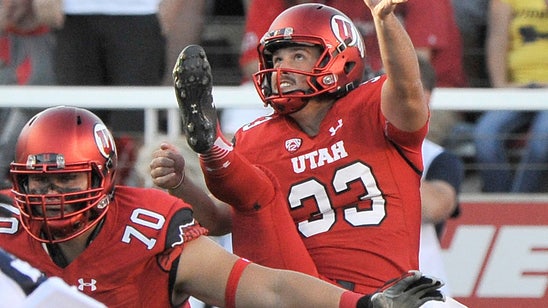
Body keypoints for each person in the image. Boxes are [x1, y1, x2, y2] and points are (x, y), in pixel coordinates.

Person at [0, 106, 444, 307]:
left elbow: (266, 289)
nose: (50, 193)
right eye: (36, 180)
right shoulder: (6, 228)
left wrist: (359, 307)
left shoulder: (148, 227)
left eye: (65, 178)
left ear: (103, 176)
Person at [155, 1, 429, 294]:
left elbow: (409, 89)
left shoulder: (373, 106)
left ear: (342, 59)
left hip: (384, 293)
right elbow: (221, 220)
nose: (281, 70)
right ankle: (211, 150)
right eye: (275, 60)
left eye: (298, 56)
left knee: (256, 190)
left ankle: (215, 150)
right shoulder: (257, 138)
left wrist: (384, 18)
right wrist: (182, 184)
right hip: (297, 293)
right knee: (255, 194)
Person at [473, 0, 548, 193]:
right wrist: (501, 85)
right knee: (484, 135)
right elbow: (497, 37)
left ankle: (519, 204)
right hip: (517, 89)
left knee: (542, 140)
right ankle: (500, 202)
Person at [416, 56, 465, 304]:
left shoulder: (438, 158)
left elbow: (435, 207)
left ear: (425, 97)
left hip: (424, 288)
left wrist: (385, 154)